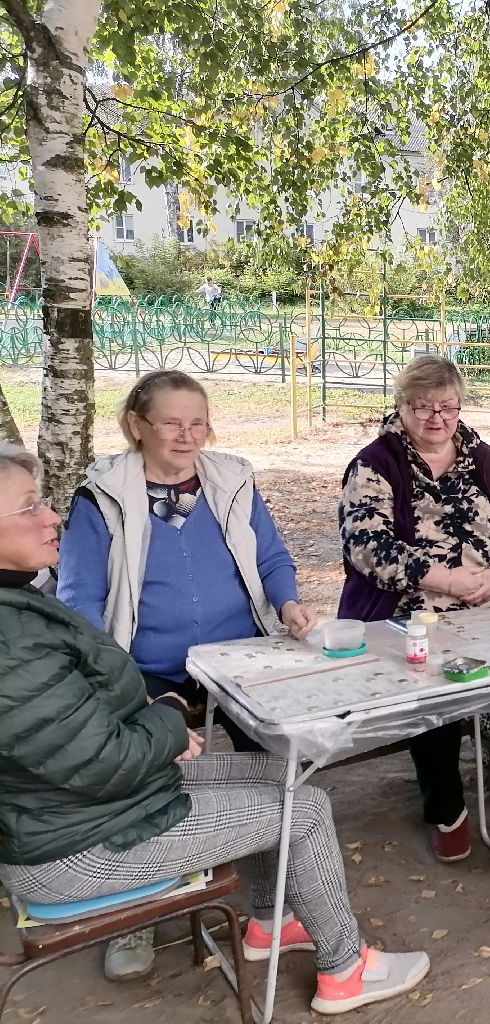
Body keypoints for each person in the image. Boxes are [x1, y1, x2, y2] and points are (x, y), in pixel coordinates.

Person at [0, 444, 429, 1015]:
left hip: (92, 808)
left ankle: (270, 924)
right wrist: (168, 717)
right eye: (29, 506)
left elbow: (75, 730)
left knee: (281, 775)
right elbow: (102, 760)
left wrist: (149, 713)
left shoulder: (21, 603)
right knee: (303, 810)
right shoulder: (11, 637)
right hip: (78, 846)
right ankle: (345, 970)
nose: (51, 517)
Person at [58, 369, 319, 982]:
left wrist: (287, 603)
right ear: (137, 425)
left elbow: (272, 557)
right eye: (172, 423)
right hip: (143, 667)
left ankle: (275, 908)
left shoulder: (232, 481)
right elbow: (79, 597)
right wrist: (111, 678)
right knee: (141, 780)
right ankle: (136, 913)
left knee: (283, 764)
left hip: (240, 656)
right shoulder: (101, 497)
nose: (188, 435)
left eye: (198, 423)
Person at [338, 356, 490, 863]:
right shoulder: (375, 464)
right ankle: (446, 809)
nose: (436, 418)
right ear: (401, 407)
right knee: (431, 681)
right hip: (412, 598)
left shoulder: (482, 457)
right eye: (422, 407)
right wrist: (447, 580)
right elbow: (368, 548)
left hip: (487, 591)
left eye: (447, 408)